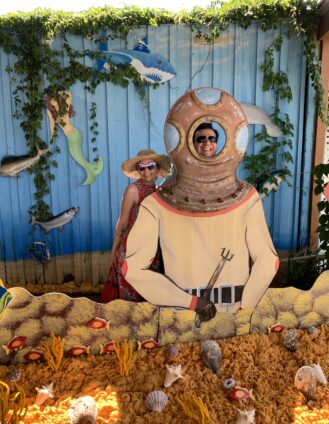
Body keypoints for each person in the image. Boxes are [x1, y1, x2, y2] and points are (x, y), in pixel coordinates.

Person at [122, 88, 280, 326]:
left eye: (212, 138)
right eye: (201, 138)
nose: (207, 143)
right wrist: (191, 302)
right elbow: (132, 269)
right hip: (182, 316)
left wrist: (244, 310)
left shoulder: (247, 198)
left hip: (227, 314)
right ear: (187, 141)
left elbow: (268, 260)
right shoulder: (157, 204)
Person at [100, 149, 170, 303]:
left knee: (149, 300)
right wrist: (114, 254)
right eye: (141, 167)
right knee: (128, 301)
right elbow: (122, 224)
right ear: (137, 170)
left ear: (157, 169)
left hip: (152, 253)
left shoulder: (160, 192)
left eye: (150, 166)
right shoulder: (133, 190)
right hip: (131, 251)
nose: (146, 171)